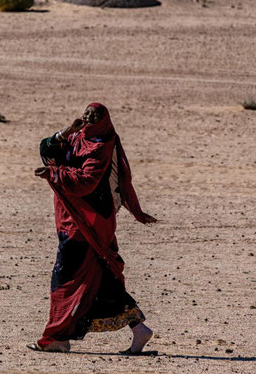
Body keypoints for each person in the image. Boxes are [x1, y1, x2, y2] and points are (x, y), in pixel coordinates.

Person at [28, 102, 157, 355]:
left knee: (65, 279)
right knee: (102, 280)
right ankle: (139, 330)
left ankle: (56, 338)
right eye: (86, 113)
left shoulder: (100, 146)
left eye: (94, 116)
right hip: (74, 219)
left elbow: (86, 183)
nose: (88, 118)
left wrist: (54, 174)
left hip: (88, 224)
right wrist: (65, 133)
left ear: (104, 121)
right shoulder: (76, 138)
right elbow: (46, 149)